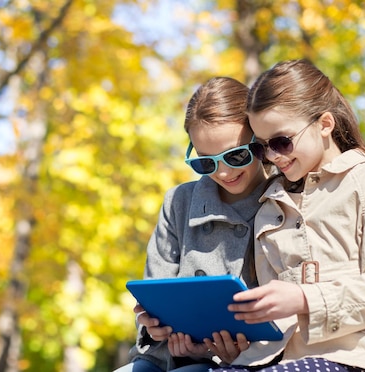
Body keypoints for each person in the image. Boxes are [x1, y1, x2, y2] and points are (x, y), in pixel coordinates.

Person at [206, 59, 365, 371]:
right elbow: (274, 316)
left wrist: (305, 298)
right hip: (280, 360)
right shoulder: (269, 203)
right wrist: (235, 346)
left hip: (359, 358)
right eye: (263, 148)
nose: (274, 156)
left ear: (324, 124)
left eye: (281, 141)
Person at [114, 76, 270, 372]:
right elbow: (155, 287)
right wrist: (152, 326)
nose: (223, 173)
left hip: (238, 363)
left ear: (258, 140)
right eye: (205, 162)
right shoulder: (179, 202)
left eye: (236, 155)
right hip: (162, 357)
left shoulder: (281, 200)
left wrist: (239, 350)